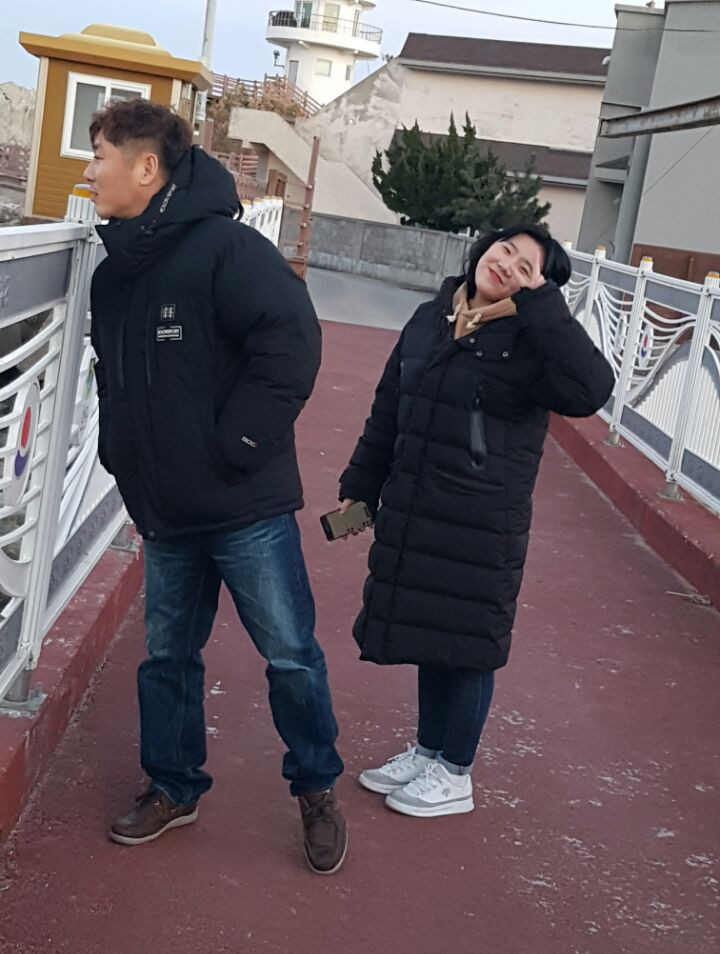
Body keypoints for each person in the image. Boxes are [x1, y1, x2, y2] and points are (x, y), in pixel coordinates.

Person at [85, 98, 346, 874]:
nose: (88, 171)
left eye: (99, 156)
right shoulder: (114, 275)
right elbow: (114, 380)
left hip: (244, 506)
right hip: (165, 509)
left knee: (290, 653)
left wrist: (240, 443)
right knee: (167, 656)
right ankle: (173, 786)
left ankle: (316, 788)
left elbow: (292, 340)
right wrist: (118, 453)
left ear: (146, 168)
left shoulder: (226, 249)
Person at [338, 225, 614, 818]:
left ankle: (455, 772)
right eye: (505, 249)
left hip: (482, 522)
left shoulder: (534, 344)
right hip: (419, 508)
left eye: (526, 268)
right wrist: (359, 490)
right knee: (430, 634)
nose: (506, 264)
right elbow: (388, 411)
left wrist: (543, 308)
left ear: (539, 288)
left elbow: (592, 390)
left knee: (467, 644)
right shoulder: (431, 318)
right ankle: (429, 750)